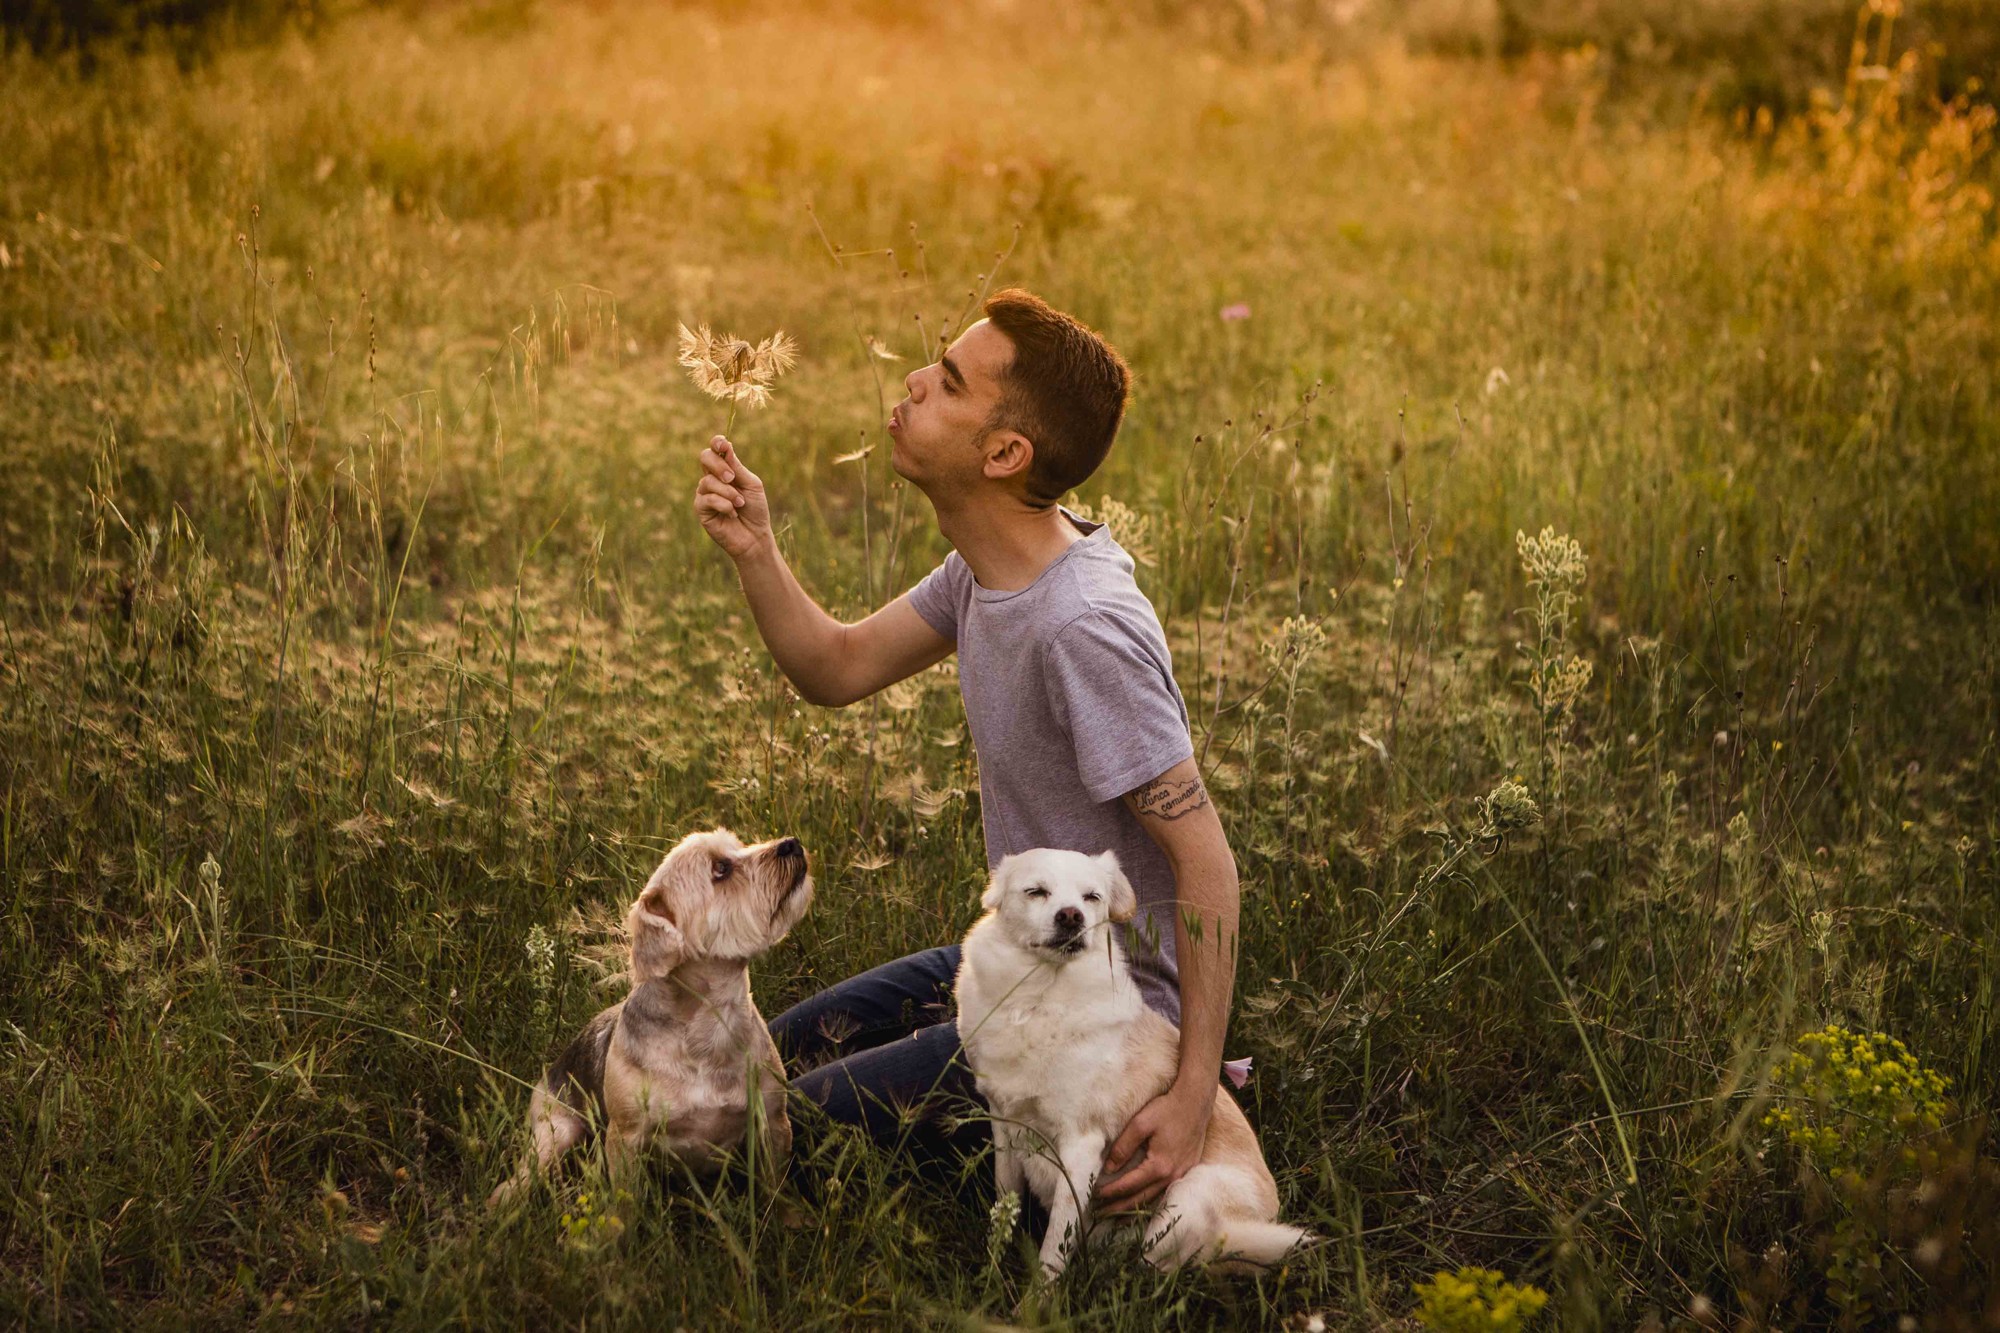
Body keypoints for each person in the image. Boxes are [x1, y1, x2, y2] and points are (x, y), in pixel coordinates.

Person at [692, 289, 1242, 1217]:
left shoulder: (1085, 627)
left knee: (756, 1131)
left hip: (1099, 1023)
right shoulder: (986, 572)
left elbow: (1208, 865)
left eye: (947, 381)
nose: (913, 383)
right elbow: (835, 666)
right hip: (1011, 964)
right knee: (745, 1063)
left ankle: (1177, 1109)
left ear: (1002, 454)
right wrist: (757, 549)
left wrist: (1188, 1099)